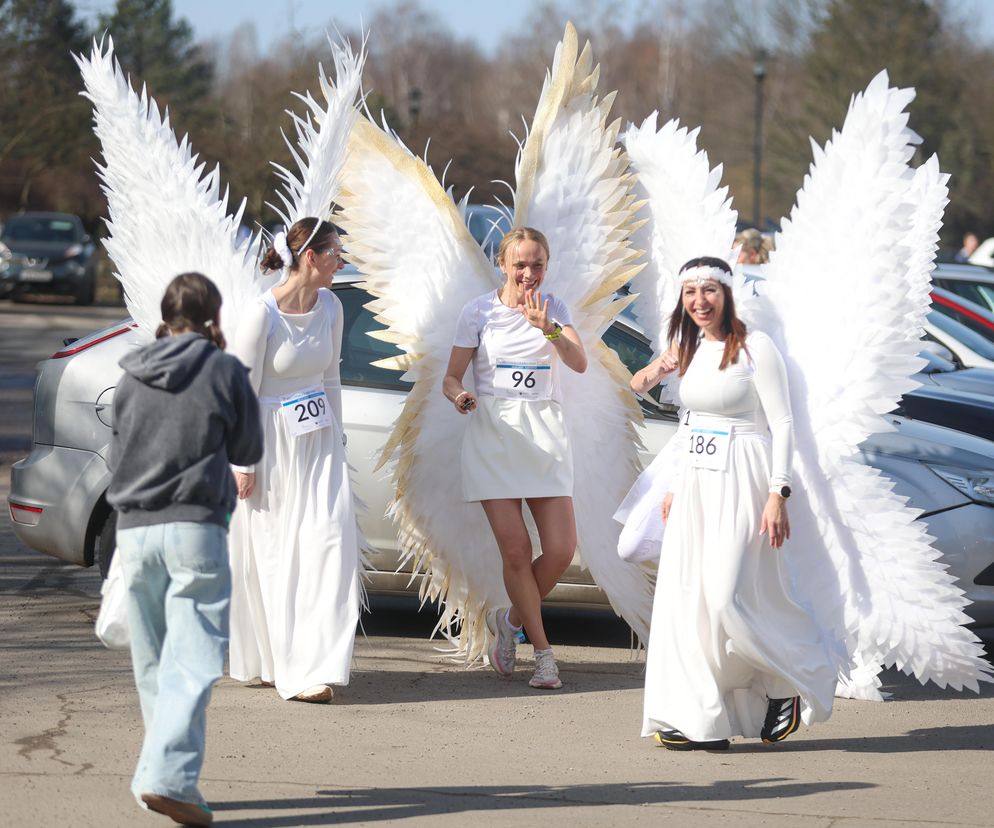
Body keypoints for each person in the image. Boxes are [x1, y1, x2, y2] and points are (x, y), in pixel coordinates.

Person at [630, 256, 837, 750]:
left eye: (709, 290)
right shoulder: (690, 348)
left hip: (745, 476)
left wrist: (777, 492)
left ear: (727, 295)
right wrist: (677, 484)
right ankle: (702, 718)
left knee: (729, 595)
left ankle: (788, 683)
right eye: (690, 292)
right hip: (697, 483)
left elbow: (781, 423)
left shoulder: (755, 348)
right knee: (691, 602)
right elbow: (668, 409)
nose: (699, 300)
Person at [107, 272, 263, 826]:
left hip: (133, 528)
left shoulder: (130, 376)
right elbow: (248, 446)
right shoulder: (223, 372)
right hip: (195, 524)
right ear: (212, 317)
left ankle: (165, 776)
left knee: (154, 662)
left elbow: (115, 453)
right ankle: (167, 779)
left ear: (167, 316)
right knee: (194, 661)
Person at [443, 227, 587, 690]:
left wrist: (546, 328)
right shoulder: (478, 312)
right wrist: (461, 396)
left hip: (544, 435)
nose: (529, 273)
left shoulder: (555, 309)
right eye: (520, 264)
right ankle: (543, 654)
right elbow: (450, 377)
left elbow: (579, 362)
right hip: (495, 436)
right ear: (503, 264)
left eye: (537, 264)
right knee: (517, 552)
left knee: (562, 549)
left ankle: (509, 618)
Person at [227, 216, 362, 703]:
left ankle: (316, 664)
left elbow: (330, 380)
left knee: (330, 545)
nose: (341, 261)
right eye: (335, 253)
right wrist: (242, 463)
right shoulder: (261, 315)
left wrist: (338, 440)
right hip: (269, 443)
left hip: (318, 440)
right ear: (311, 257)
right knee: (277, 555)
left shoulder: (331, 305)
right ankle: (286, 667)